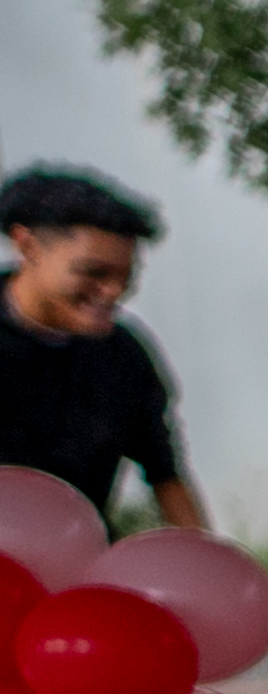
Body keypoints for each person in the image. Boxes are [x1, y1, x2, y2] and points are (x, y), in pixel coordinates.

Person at [0, 165, 200, 524]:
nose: (113, 292)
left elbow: (166, 478)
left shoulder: (124, 357)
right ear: (27, 246)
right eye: (94, 273)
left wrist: (206, 556)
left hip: (76, 553)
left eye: (126, 277)